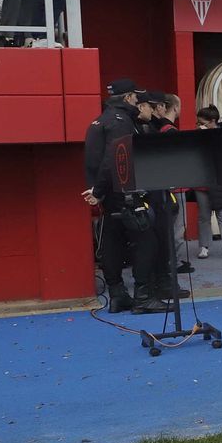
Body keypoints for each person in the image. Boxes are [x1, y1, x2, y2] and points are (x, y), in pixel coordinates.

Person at [82, 78, 165, 313]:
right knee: (146, 241)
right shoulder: (121, 122)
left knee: (112, 243)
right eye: (136, 97)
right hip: (123, 192)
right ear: (128, 98)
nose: (138, 101)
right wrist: (98, 192)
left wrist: (97, 190)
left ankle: (118, 295)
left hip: (108, 194)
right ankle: (143, 296)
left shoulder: (99, 121)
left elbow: (94, 160)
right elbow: (114, 158)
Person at [194, 106, 222, 261]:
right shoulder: (198, 133)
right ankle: (204, 246)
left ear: (213, 121)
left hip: (220, 179)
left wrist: (209, 136)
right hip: (201, 178)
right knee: (203, 216)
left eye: (202, 122)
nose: (199, 125)